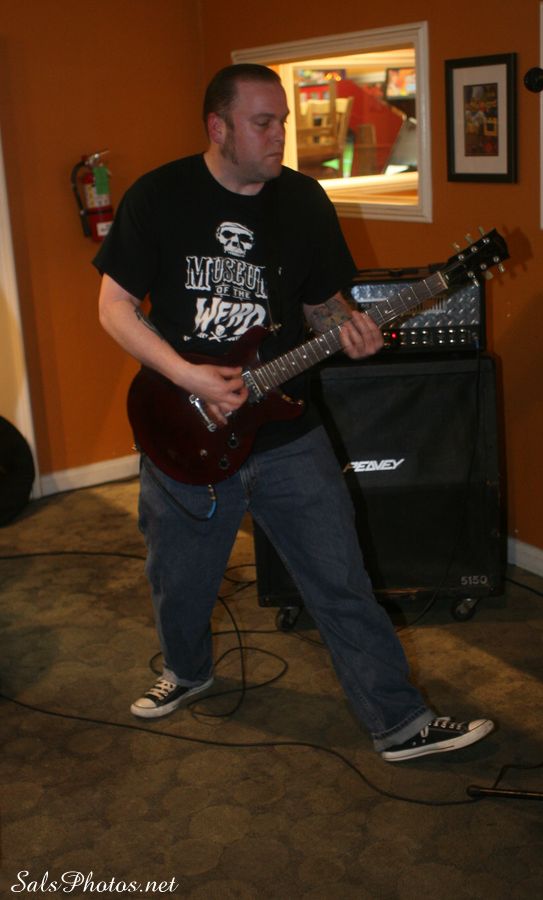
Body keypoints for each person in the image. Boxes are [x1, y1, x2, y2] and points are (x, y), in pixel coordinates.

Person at [95, 63, 494, 763]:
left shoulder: (304, 201)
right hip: (182, 421)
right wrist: (191, 376)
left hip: (286, 429)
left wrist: (350, 328)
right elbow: (114, 308)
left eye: (282, 120)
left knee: (341, 579)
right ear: (218, 127)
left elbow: (320, 305)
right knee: (179, 579)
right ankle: (186, 671)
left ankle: (399, 722)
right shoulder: (159, 197)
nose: (281, 134)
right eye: (264, 122)